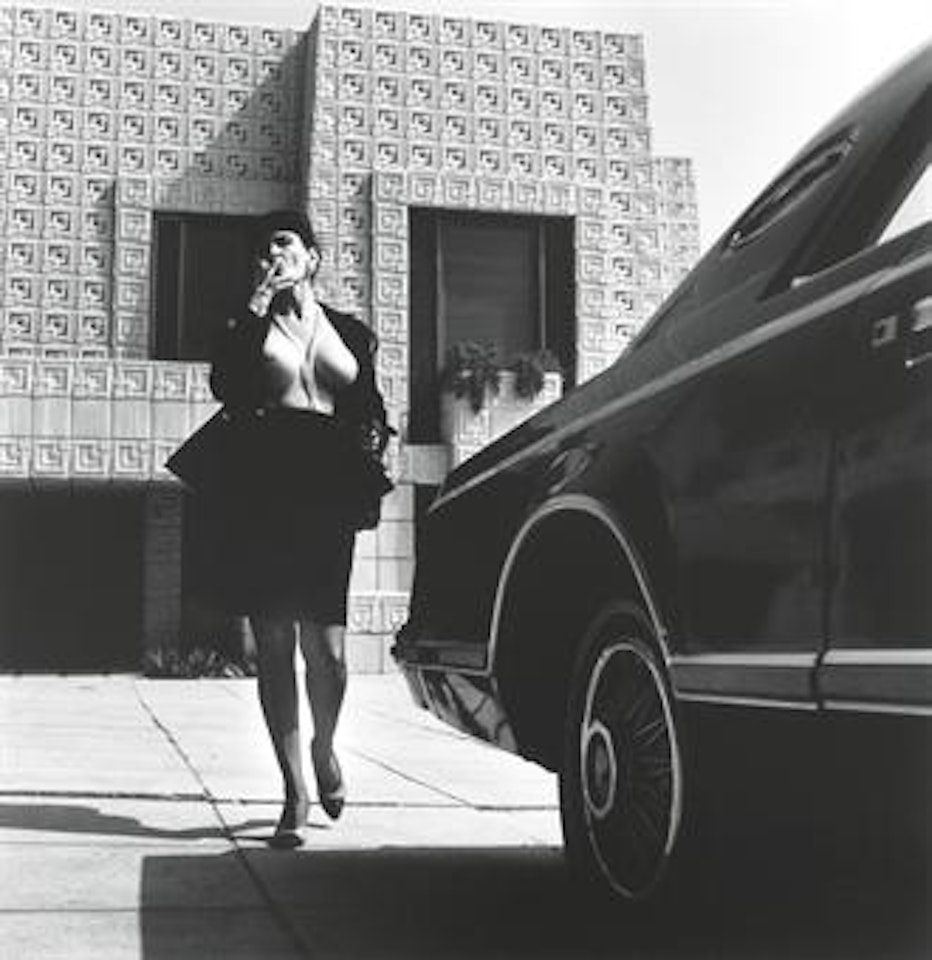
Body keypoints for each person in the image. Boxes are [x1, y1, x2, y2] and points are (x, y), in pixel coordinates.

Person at [175, 209, 392, 848]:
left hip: (327, 488)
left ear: (312, 257)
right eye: (264, 247)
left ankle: (326, 748)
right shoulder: (249, 324)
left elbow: (370, 405)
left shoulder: (352, 332)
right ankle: (293, 788)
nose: (273, 252)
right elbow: (227, 385)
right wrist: (254, 304)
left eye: (285, 242)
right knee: (273, 644)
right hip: (265, 489)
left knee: (327, 653)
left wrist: (378, 444)